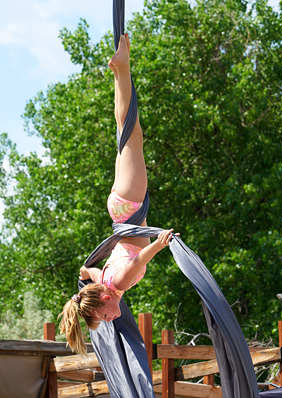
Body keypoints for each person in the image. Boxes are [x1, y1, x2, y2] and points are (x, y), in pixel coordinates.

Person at [59, 34, 178, 356]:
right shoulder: (101, 280)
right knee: (124, 134)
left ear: (106, 300)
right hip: (120, 209)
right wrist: (83, 285)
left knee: (130, 131)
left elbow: (138, 259)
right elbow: (85, 272)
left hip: (130, 208)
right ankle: (119, 71)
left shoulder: (119, 285)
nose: (112, 320)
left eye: (104, 317)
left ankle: (121, 68)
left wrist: (160, 242)